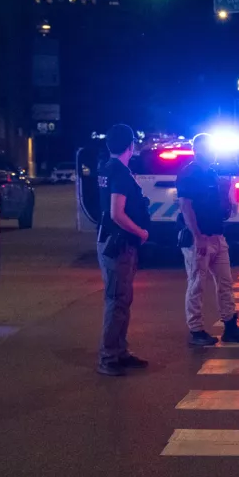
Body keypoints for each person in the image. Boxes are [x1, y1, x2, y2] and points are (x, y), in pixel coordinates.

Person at [177, 133, 239, 346]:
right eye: (209, 149)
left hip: (217, 236)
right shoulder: (189, 174)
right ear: (198, 151)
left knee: (225, 283)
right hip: (199, 239)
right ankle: (196, 331)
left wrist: (228, 203)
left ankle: (231, 327)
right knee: (196, 285)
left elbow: (221, 208)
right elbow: (186, 208)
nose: (213, 153)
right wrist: (198, 237)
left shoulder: (212, 174)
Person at [95, 124, 151, 377]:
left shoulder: (106, 168)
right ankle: (109, 357)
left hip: (109, 241)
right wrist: (141, 232)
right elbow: (117, 213)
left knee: (121, 300)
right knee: (117, 300)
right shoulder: (120, 174)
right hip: (118, 244)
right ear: (131, 145)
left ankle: (120, 352)